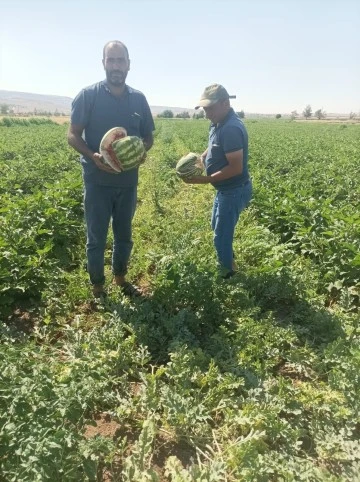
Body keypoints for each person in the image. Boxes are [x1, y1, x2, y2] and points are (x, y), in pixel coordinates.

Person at [68, 40, 155, 298]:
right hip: (96, 180)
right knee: (96, 237)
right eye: (111, 60)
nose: (116, 66)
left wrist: (140, 151)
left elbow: (148, 137)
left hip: (127, 182)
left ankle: (120, 279)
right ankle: (97, 286)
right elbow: (72, 135)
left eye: (121, 60)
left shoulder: (139, 99)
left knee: (124, 235)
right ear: (104, 63)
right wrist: (93, 156)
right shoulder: (88, 96)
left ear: (128, 64)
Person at [184, 84, 252, 279]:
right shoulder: (217, 122)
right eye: (204, 109)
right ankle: (229, 262)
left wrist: (205, 180)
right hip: (225, 190)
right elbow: (212, 147)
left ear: (225, 103)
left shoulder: (231, 128)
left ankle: (228, 276)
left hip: (233, 191)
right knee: (217, 227)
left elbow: (235, 167)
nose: (206, 114)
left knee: (221, 235)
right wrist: (201, 158)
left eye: (210, 108)